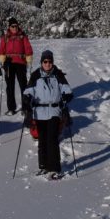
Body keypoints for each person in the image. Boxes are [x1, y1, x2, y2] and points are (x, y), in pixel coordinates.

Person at [22, 50, 73, 180]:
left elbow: (67, 89)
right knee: (42, 140)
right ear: (41, 62)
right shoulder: (35, 76)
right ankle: (43, 166)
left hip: (54, 111)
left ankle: (55, 168)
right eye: (45, 61)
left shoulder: (58, 75)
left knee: (52, 139)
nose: (48, 64)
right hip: (39, 112)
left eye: (50, 61)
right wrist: (27, 99)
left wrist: (67, 96)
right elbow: (28, 91)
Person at [0, 17, 33, 115]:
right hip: (9, 64)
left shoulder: (23, 36)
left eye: (16, 26)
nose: (15, 28)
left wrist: (29, 56)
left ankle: (25, 107)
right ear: (9, 27)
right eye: (13, 26)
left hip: (21, 63)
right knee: (10, 86)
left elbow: (28, 47)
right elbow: (1, 50)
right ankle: (11, 108)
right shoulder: (5, 37)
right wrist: (2, 58)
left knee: (23, 86)